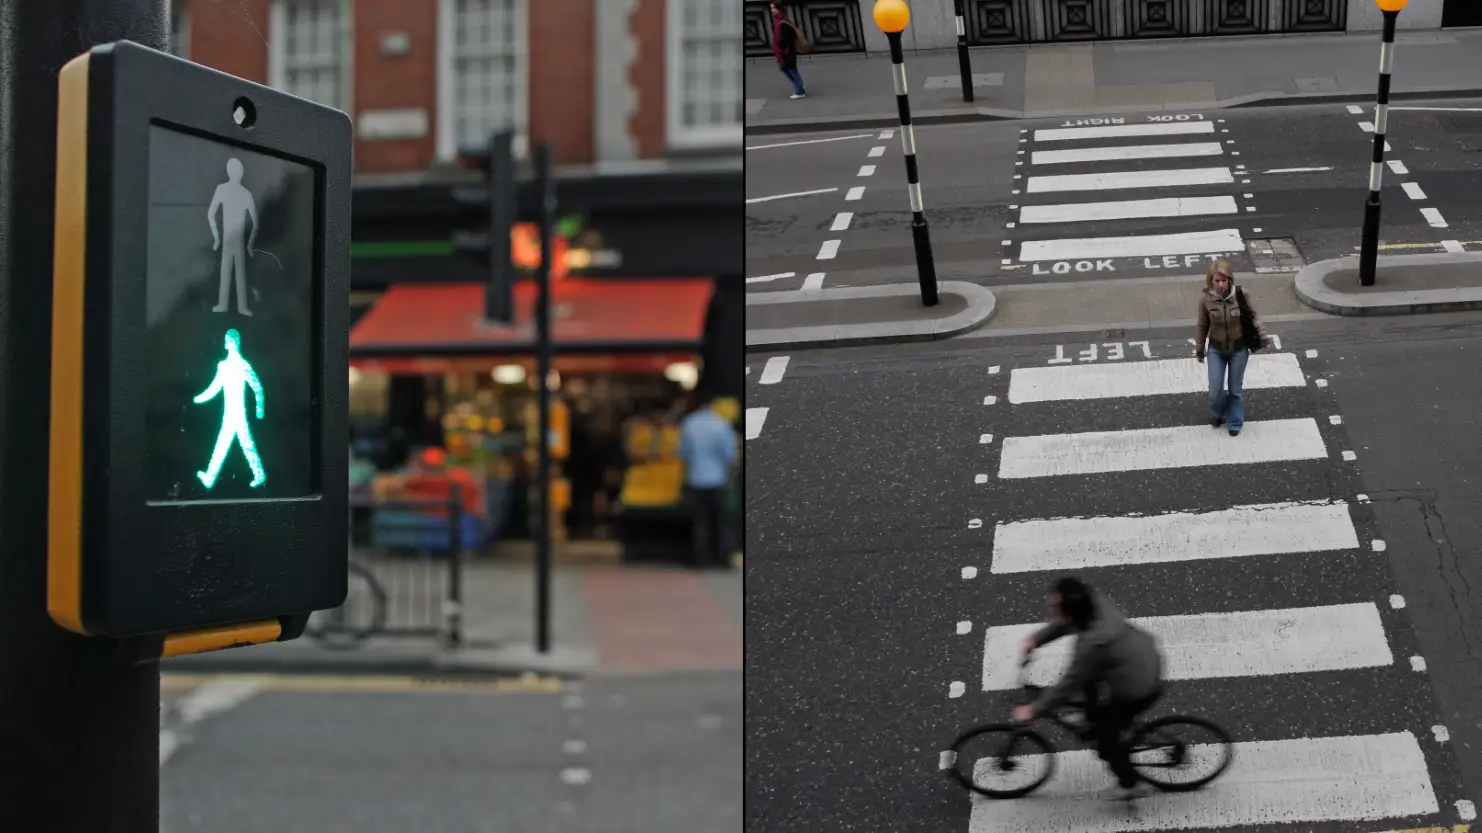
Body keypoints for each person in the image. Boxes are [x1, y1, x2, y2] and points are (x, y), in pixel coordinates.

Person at [1013, 577, 1163, 801]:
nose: (1050, 606)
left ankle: (1130, 785)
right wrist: (1037, 640)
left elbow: (1069, 684)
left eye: (1055, 604)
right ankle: (1094, 718)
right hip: (1136, 657)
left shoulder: (1093, 644)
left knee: (1107, 744)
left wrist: (1034, 710)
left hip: (1137, 685)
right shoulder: (1093, 602)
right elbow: (1067, 621)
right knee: (1092, 698)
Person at [1194, 260, 1273, 437]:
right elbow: (1202, 325)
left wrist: (1263, 337)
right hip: (1216, 349)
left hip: (1238, 349)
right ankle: (1218, 412)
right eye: (1217, 281)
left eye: (1224, 280)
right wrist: (1199, 349)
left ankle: (1235, 421)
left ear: (1230, 279)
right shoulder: (1205, 299)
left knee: (1235, 389)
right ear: (1211, 281)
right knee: (1215, 390)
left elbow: (1253, 317)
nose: (1221, 284)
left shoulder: (1241, 295)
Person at [677, 390, 738, 568]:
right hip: (717, 479)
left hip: (695, 479)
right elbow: (730, 455)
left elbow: (683, 453)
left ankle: (700, 559)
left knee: (699, 522)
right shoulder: (721, 424)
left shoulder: (689, 424)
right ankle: (723, 558)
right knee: (721, 522)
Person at [770, 2, 807, 100]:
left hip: (787, 51)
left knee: (791, 69)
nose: (772, 10)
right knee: (786, 68)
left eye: (774, 8)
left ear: (779, 9)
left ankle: (800, 90)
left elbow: (784, 38)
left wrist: (781, 48)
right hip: (785, 51)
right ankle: (800, 86)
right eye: (771, 8)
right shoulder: (780, 20)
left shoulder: (783, 22)